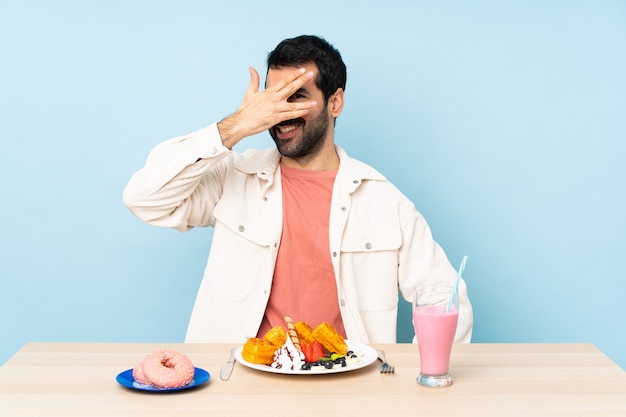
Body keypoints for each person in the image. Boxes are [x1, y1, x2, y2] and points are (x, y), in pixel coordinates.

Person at [123, 35, 473, 344]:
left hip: (346, 386)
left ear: (335, 102)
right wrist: (236, 126)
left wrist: (425, 372)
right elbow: (144, 200)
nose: (281, 113)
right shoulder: (233, 178)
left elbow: (443, 293)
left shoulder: (384, 202)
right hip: (240, 383)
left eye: (297, 97)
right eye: (274, 99)